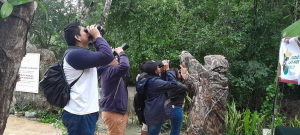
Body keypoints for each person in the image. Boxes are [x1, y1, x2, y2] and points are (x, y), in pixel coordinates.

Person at [61, 22, 114, 135]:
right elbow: (107, 56)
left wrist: (95, 41)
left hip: (83, 112)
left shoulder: (79, 55)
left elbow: (103, 62)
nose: (88, 31)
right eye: (85, 30)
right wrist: (97, 36)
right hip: (80, 114)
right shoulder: (75, 54)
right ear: (77, 37)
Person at [136, 60, 177, 135]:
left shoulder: (148, 80)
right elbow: (173, 84)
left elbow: (164, 82)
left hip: (152, 111)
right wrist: (168, 70)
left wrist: (164, 73)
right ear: (154, 70)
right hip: (156, 114)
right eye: (158, 67)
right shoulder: (154, 82)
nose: (160, 67)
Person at [97, 47, 130, 135]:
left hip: (114, 111)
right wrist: (121, 53)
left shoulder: (109, 71)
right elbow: (125, 66)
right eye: (113, 57)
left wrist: (117, 57)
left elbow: (126, 74)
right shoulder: (109, 71)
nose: (115, 58)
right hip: (113, 112)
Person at [167, 68, 187, 135]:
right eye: (178, 73)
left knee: (174, 131)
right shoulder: (176, 84)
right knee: (175, 132)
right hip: (176, 108)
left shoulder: (169, 83)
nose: (180, 74)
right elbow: (186, 87)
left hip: (172, 107)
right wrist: (185, 77)